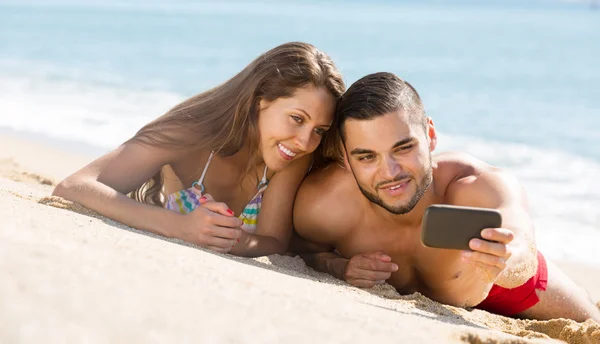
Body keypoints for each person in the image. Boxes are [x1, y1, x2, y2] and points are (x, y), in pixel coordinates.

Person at [292, 72, 600, 322]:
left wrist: (508, 261)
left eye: (403, 148)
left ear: (430, 135)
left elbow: (521, 242)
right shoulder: (325, 205)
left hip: (499, 285)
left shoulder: (474, 186)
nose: (390, 172)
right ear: (345, 158)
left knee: (592, 323)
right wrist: (338, 267)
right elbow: (302, 251)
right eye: (367, 157)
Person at [53, 42, 345, 257]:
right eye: (297, 119)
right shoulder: (188, 132)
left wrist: (224, 238)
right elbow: (74, 186)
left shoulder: (291, 155)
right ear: (259, 100)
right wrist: (181, 227)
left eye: (319, 130)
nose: (306, 142)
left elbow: (274, 242)